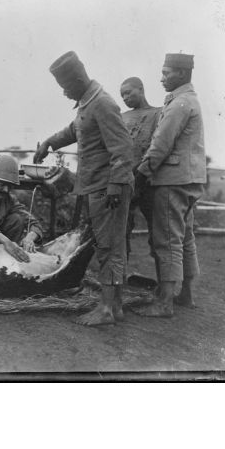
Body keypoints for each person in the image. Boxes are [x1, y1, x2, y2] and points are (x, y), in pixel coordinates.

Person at [34, 51, 134, 326]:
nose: (65, 94)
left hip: (108, 186)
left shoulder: (102, 103)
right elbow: (75, 129)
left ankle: (106, 309)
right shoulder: (88, 103)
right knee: (109, 244)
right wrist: (49, 143)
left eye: (66, 87)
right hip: (99, 185)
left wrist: (115, 185)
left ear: (78, 79)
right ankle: (115, 307)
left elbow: (124, 149)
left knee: (108, 246)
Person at [133, 53, 206, 317]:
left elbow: (160, 145)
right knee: (185, 237)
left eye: (166, 73)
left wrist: (140, 175)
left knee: (166, 239)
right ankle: (185, 294)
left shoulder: (178, 104)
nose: (161, 78)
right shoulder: (190, 101)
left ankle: (164, 302)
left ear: (182, 75)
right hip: (190, 180)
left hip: (171, 181)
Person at [120, 77, 162, 273]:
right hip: (125, 182)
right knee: (121, 231)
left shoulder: (158, 114)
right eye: (122, 95)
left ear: (141, 89)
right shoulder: (122, 117)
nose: (125, 98)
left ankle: (164, 286)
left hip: (149, 181)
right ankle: (121, 282)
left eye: (129, 92)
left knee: (159, 233)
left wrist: (142, 173)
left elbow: (159, 146)